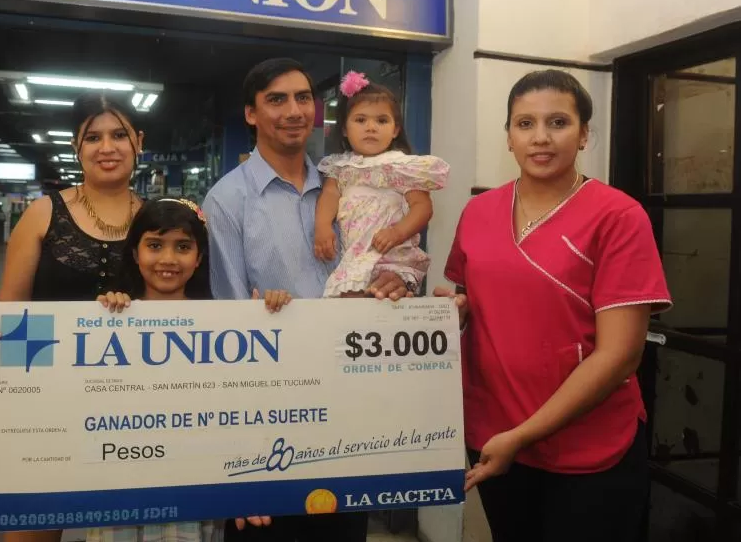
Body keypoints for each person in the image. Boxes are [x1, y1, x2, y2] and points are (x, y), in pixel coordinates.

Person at [434, 70, 672, 542]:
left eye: (558, 122)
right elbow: (471, 301)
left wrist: (521, 436)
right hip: (494, 429)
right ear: (508, 136)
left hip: (589, 445)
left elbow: (620, 354)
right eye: (524, 124)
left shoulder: (618, 216)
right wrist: (452, 312)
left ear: (584, 133)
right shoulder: (479, 212)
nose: (540, 138)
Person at [203, 57, 414, 542]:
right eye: (276, 99)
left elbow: (386, 262)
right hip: (271, 418)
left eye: (303, 98)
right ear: (251, 114)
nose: (294, 110)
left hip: (351, 406)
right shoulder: (228, 200)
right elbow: (229, 324)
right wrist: (241, 457)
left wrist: (395, 286)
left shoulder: (353, 183)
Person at [0, 92, 145, 542]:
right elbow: (10, 311)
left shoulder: (158, 220)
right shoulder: (43, 214)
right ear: (76, 147)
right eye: (94, 137)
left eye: (119, 134)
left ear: (139, 141)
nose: (108, 147)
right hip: (48, 404)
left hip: (134, 409)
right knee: (35, 528)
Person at [93, 197, 291, 542]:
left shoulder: (228, 324)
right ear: (134, 253)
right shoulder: (109, 317)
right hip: (123, 488)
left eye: (182, 247)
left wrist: (271, 314)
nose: (168, 259)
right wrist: (101, 318)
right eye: (154, 245)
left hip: (198, 488)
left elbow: (245, 408)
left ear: (199, 258)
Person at [313, 70, 449, 297]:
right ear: (345, 129)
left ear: (395, 129)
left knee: (385, 300)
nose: (371, 127)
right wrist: (322, 227)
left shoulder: (402, 166)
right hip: (355, 253)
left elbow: (423, 207)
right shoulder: (340, 168)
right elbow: (329, 196)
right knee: (350, 298)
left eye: (381, 120)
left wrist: (398, 232)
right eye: (361, 120)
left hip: (391, 253)